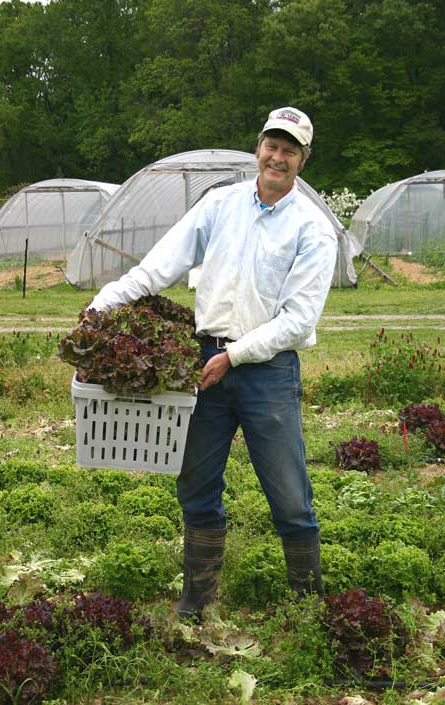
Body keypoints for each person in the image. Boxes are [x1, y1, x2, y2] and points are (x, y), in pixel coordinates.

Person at [89, 106, 338, 618]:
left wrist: (235, 356)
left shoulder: (313, 229)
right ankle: (197, 601)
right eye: (272, 145)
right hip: (206, 362)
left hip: (267, 371)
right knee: (196, 484)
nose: (278, 156)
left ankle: (308, 607)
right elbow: (160, 265)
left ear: (303, 159)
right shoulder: (219, 205)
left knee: (289, 493)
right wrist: (105, 303)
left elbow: (297, 320)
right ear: (258, 148)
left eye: (290, 149)